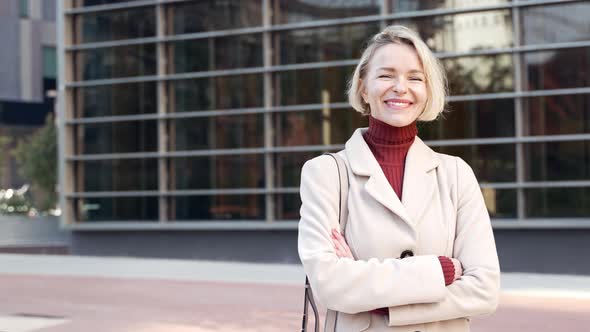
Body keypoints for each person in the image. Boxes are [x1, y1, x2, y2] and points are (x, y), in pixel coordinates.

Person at [297, 25, 500, 332]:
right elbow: (331, 285)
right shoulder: (325, 174)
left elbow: (484, 290)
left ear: (428, 89)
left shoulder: (456, 174)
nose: (401, 87)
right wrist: (439, 271)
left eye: (415, 77)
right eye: (386, 75)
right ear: (364, 88)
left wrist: (371, 293)